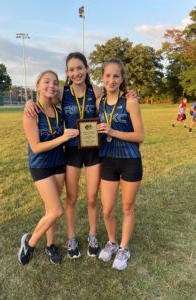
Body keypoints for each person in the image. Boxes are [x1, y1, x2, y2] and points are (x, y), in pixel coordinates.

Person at [24, 52, 102, 258]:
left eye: (80, 68)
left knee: (93, 197)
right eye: (71, 69)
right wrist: (29, 102)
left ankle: (93, 235)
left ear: (87, 69)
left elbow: (115, 95)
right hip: (72, 151)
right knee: (72, 197)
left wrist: (130, 95)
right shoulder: (62, 93)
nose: (76, 73)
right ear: (67, 73)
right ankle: (71, 238)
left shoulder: (96, 90)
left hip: (94, 150)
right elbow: (44, 98)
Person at [18, 70, 79, 265]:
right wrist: (63, 138)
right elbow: (36, 147)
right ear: (37, 85)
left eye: (55, 82)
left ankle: (50, 245)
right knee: (56, 210)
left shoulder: (59, 112)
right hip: (40, 165)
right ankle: (30, 242)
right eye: (46, 82)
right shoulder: (31, 112)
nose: (51, 86)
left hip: (58, 164)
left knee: (49, 209)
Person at [96, 58, 144, 270]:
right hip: (107, 160)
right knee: (107, 209)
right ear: (102, 77)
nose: (111, 79)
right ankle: (112, 241)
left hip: (130, 160)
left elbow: (140, 135)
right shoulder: (99, 102)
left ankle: (124, 247)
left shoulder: (130, 101)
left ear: (122, 78)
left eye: (116, 76)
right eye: (108, 75)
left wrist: (113, 132)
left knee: (127, 207)